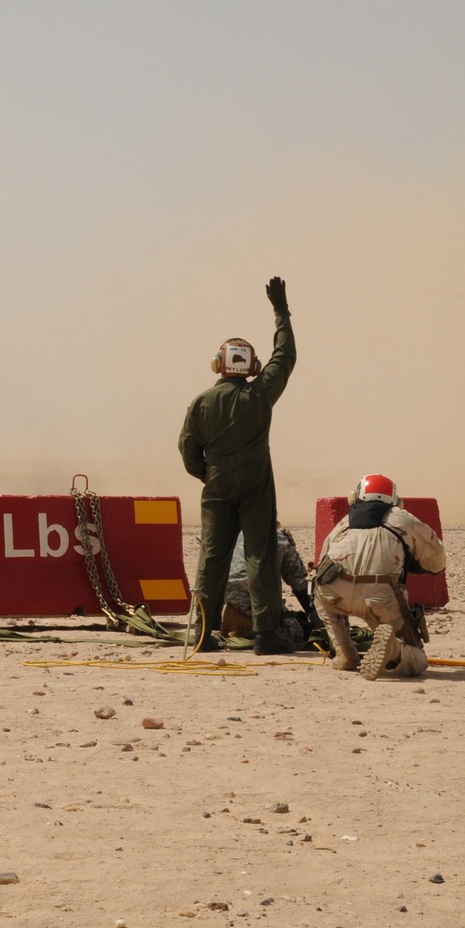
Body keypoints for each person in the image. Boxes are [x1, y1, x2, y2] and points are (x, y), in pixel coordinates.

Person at [178, 277, 297, 654]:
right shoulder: (261, 395)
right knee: (259, 553)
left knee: (212, 556)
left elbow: (187, 450)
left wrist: (208, 475)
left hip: (216, 489)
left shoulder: (201, 403)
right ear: (252, 366)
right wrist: (281, 311)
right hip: (256, 488)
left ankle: (202, 632)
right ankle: (266, 634)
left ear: (218, 364)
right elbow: (286, 357)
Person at [314, 473, 445, 680]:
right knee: (418, 658)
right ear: (395, 500)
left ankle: (345, 652)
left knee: (322, 597)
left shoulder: (343, 523)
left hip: (333, 593)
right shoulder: (404, 518)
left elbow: (321, 565)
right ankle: (394, 650)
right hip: (379, 597)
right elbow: (437, 562)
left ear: (355, 497)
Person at [222, 526, 315, 639]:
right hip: (253, 594)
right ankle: (245, 631)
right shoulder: (280, 539)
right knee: (296, 632)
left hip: (225, 594)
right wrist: (319, 622)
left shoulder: (237, 534)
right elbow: (300, 584)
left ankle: (238, 620)